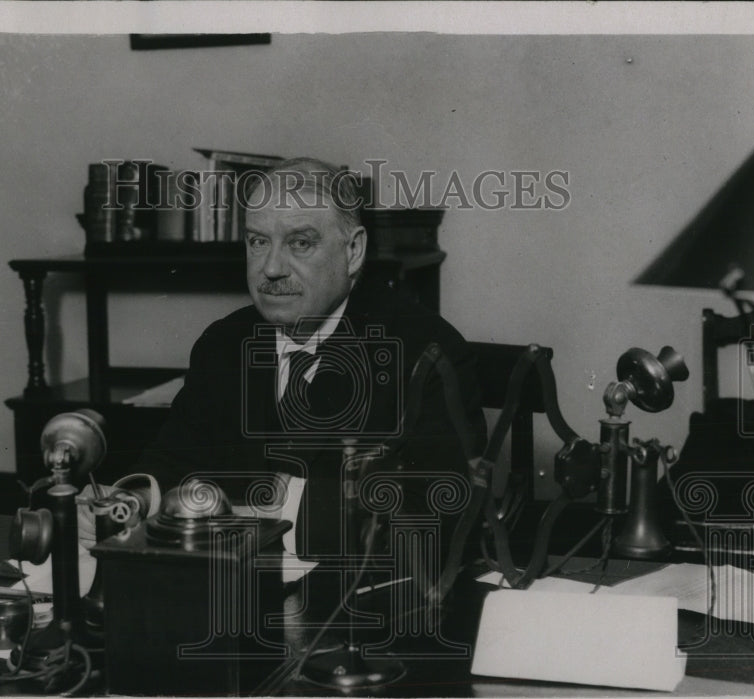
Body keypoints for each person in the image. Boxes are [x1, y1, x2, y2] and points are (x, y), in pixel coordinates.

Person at [88, 158, 486, 579]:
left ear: (353, 251)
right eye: (258, 242)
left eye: (300, 243)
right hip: (226, 589)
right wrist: (131, 500)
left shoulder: (424, 351)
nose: (272, 268)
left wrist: (272, 513)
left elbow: (441, 513)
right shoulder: (224, 344)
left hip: (353, 609)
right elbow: (175, 454)